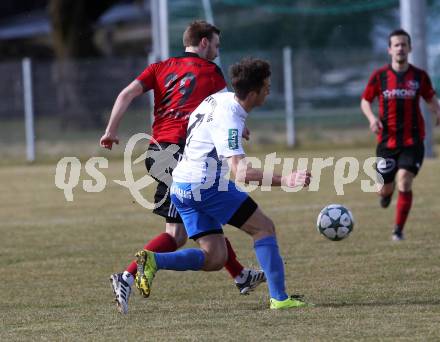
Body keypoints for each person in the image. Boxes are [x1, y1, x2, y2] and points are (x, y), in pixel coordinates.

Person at [100, 21, 265, 314]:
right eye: (215, 44)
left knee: (202, 214)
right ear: (203, 43)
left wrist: (111, 130)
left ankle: (240, 275)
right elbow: (227, 107)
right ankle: (125, 275)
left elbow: (125, 94)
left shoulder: (159, 67)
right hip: (181, 154)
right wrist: (241, 127)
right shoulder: (211, 72)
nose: (217, 51)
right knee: (177, 233)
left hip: (157, 152)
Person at [135, 58, 313, 310]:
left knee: (215, 257)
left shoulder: (218, 99)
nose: (269, 90)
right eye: (267, 86)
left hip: (181, 186)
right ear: (253, 93)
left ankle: (154, 261)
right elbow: (240, 172)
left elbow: (197, 124)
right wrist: (285, 179)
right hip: (205, 187)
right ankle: (280, 299)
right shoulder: (230, 117)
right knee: (263, 228)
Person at [361, 29, 440, 241]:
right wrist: (372, 119)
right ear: (389, 49)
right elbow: (365, 100)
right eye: (396, 45)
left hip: (413, 140)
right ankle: (387, 193)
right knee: (383, 190)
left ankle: (398, 230)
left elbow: (431, 97)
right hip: (387, 142)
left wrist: (438, 111)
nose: (400, 48)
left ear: (410, 48)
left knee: (405, 180)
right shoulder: (380, 77)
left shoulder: (419, 76)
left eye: (404, 44)